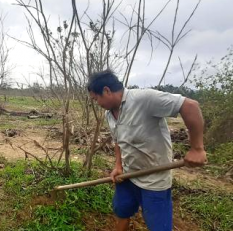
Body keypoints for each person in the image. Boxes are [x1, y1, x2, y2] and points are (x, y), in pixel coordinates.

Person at [86, 70, 206, 231]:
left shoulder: (144, 99)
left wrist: (197, 148)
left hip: (154, 180)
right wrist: (118, 166)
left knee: (159, 227)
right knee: (122, 210)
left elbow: (190, 106)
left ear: (106, 91)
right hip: (128, 175)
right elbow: (118, 141)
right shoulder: (110, 114)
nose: (97, 103)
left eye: (96, 99)